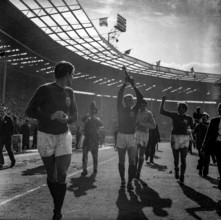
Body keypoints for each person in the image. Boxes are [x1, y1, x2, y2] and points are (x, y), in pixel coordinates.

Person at [25, 61, 78, 220]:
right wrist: (50, 116)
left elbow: (75, 115)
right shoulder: (44, 89)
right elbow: (29, 111)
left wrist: (67, 119)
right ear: (67, 74)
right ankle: (58, 203)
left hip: (63, 135)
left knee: (61, 174)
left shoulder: (70, 91)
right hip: (45, 135)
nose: (73, 77)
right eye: (72, 74)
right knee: (52, 176)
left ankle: (57, 211)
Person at [117, 74, 143, 191]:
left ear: (133, 102)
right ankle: (123, 180)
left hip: (132, 136)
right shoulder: (120, 108)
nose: (130, 101)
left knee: (132, 160)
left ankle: (129, 182)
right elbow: (119, 96)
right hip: (121, 136)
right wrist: (124, 84)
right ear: (124, 101)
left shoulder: (135, 109)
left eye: (131, 100)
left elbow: (141, 97)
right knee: (122, 161)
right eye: (127, 100)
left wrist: (134, 86)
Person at [160, 95, 194, 183]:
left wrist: (190, 131)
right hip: (175, 137)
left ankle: (182, 175)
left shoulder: (189, 118)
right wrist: (163, 101)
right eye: (178, 107)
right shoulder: (174, 115)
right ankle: (176, 169)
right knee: (176, 159)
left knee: (183, 159)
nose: (178, 108)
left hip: (184, 138)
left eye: (180, 107)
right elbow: (162, 111)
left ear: (184, 109)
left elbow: (193, 128)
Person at [201, 103, 221, 190]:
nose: (219, 109)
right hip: (218, 145)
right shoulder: (214, 121)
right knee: (220, 164)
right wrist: (203, 146)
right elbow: (208, 134)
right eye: (219, 108)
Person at [135, 99, 156, 179]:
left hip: (144, 134)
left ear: (145, 105)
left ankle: (138, 171)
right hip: (136, 134)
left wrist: (143, 124)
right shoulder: (135, 112)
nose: (142, 107)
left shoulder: (148, 113)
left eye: (143, 105)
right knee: (134, 155)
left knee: (141, 155)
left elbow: (153, 125)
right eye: (140, 105)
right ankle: (135, 170)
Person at [81, 101, 103, 176]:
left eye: (94, 109)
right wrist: (88, 117)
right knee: (84, 155)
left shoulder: (97, 119)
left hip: (94, 139)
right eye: (92, 109)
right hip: (87, 139)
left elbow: (101, 124)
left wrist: (93, 118)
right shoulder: (87, 117)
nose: (92, 111)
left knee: (95, 156)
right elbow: (82, 120)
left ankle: (95, 169)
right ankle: (84, 170)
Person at [194, 112, 210, 176]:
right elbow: (194, 132)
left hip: (208, 144)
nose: (203, 117)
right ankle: (201, 169)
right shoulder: (199, 125)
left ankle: (205, 171)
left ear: (207, 117)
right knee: (202, 157)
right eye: (203, 116)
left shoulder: (210, 124)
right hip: (200, 144)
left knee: (207, 159)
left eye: (205, 116)